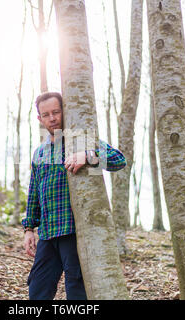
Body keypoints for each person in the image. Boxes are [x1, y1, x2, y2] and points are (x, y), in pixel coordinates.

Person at [22, 92, 127, 300]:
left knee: (76, 290)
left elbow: (119, 160)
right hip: (48, 233)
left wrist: (88, 156)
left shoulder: (80, 141)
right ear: (39, 119)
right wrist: (28, 229)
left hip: (73, 232)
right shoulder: (39, 152)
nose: (52, 118)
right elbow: (34, 192)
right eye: (46, 114)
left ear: (64, 111)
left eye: (56, 112)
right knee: (37, 288)